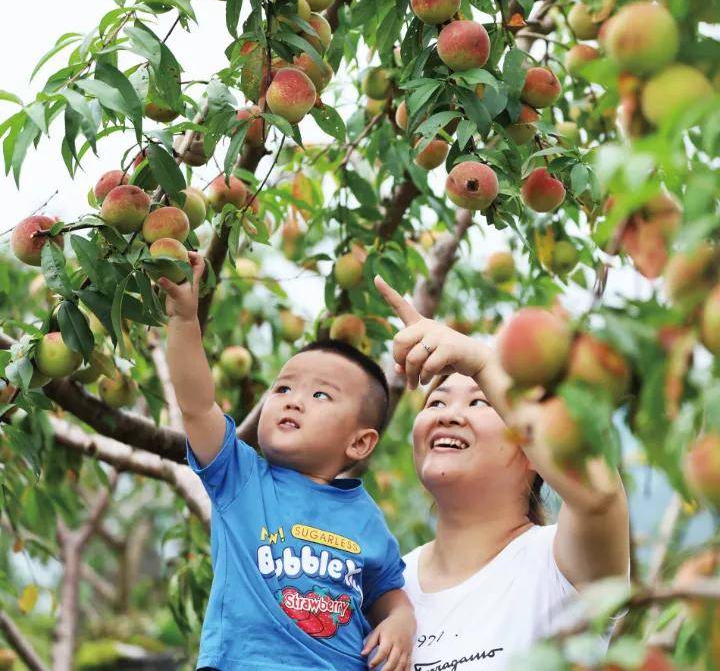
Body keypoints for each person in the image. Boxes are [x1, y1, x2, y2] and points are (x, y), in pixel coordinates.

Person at [159, 252, 415, 671]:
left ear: (360, 442)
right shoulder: (239, 477)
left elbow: (386, 592)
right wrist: (185, 321)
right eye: (282, 389)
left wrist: (402, 620)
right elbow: (197, 406)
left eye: (320, 395)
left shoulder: (366, 516)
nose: (293, 400)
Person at [375, 276, 631, 670]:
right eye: (437, 402)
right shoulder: (389, 585)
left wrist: (482, 360)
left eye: (479, 402)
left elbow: (599, 494)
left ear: (532, 449)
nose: (449, 415)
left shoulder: (558, 569)